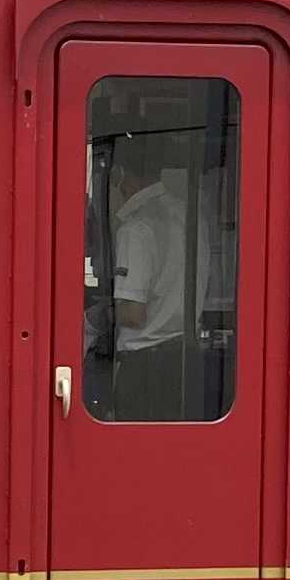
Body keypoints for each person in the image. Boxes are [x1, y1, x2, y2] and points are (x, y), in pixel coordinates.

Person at [105, 137, 188, 420]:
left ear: (120, 176)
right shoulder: (188, 215)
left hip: (145, 369)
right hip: (185, 359)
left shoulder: (136, 228)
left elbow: (132, 313)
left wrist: (95, 314)